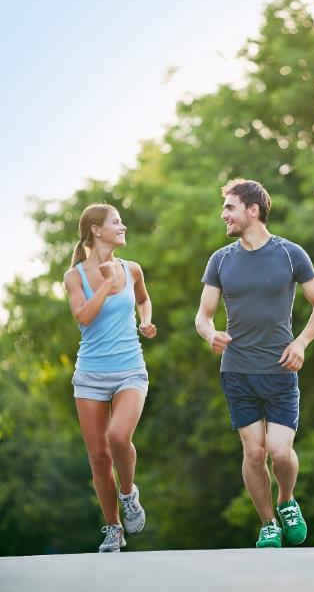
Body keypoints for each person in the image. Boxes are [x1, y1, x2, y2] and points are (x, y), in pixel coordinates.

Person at [195, 179, 314, 548]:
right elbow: (203, 316)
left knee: (279, 452)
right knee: (253, 453)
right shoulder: (221, 260)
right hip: (237, 371)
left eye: (229, 207)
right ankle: (268, 522)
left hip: (279, 371)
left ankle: (287, 501)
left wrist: (301, 343)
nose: (223, 214)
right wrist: (211, 335)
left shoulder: (290, 254)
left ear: (252, 210)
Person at [64, 203, 157, 553]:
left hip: (130, 369)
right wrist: (106, 285)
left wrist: (145, 320)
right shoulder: (75, 276)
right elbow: (83, 317)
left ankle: (128, 494)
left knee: (119, 436)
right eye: (116, 222)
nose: (123, 226)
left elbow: (144, 301)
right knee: (99, 457)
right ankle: (113, 528)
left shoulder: (131, 269)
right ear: (96, 230)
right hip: (90, 375)